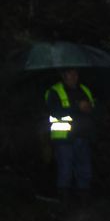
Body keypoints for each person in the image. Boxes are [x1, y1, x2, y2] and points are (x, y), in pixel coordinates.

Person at [44, 68, 95, 204]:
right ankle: (64, 200)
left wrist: (89, 108)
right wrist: (77, 107)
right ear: (63, 75)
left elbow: (94, 108)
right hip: (64, 138)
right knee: (65, 168)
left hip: (83, 135)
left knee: (84, 169)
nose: (74, 76)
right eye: (70, 73)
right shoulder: (54, 91)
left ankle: (83, 199)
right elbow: (55, 112)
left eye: (75, 73)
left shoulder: (84, 89)